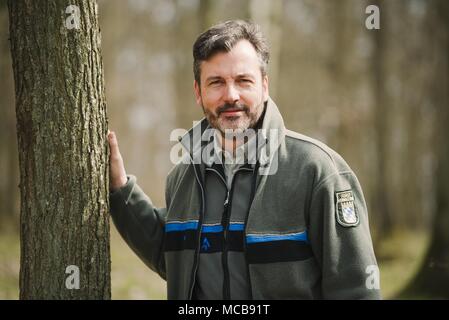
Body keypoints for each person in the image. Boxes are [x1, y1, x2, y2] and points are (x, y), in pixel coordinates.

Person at [108, 20, 381, 300]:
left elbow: (356, 288)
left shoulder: (318, 171)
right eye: (216, 82)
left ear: (264, 86)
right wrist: (120, 189)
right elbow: (175, 259)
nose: (231, 95)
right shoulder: (183, 177)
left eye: (243, 80)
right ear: (198, 92)